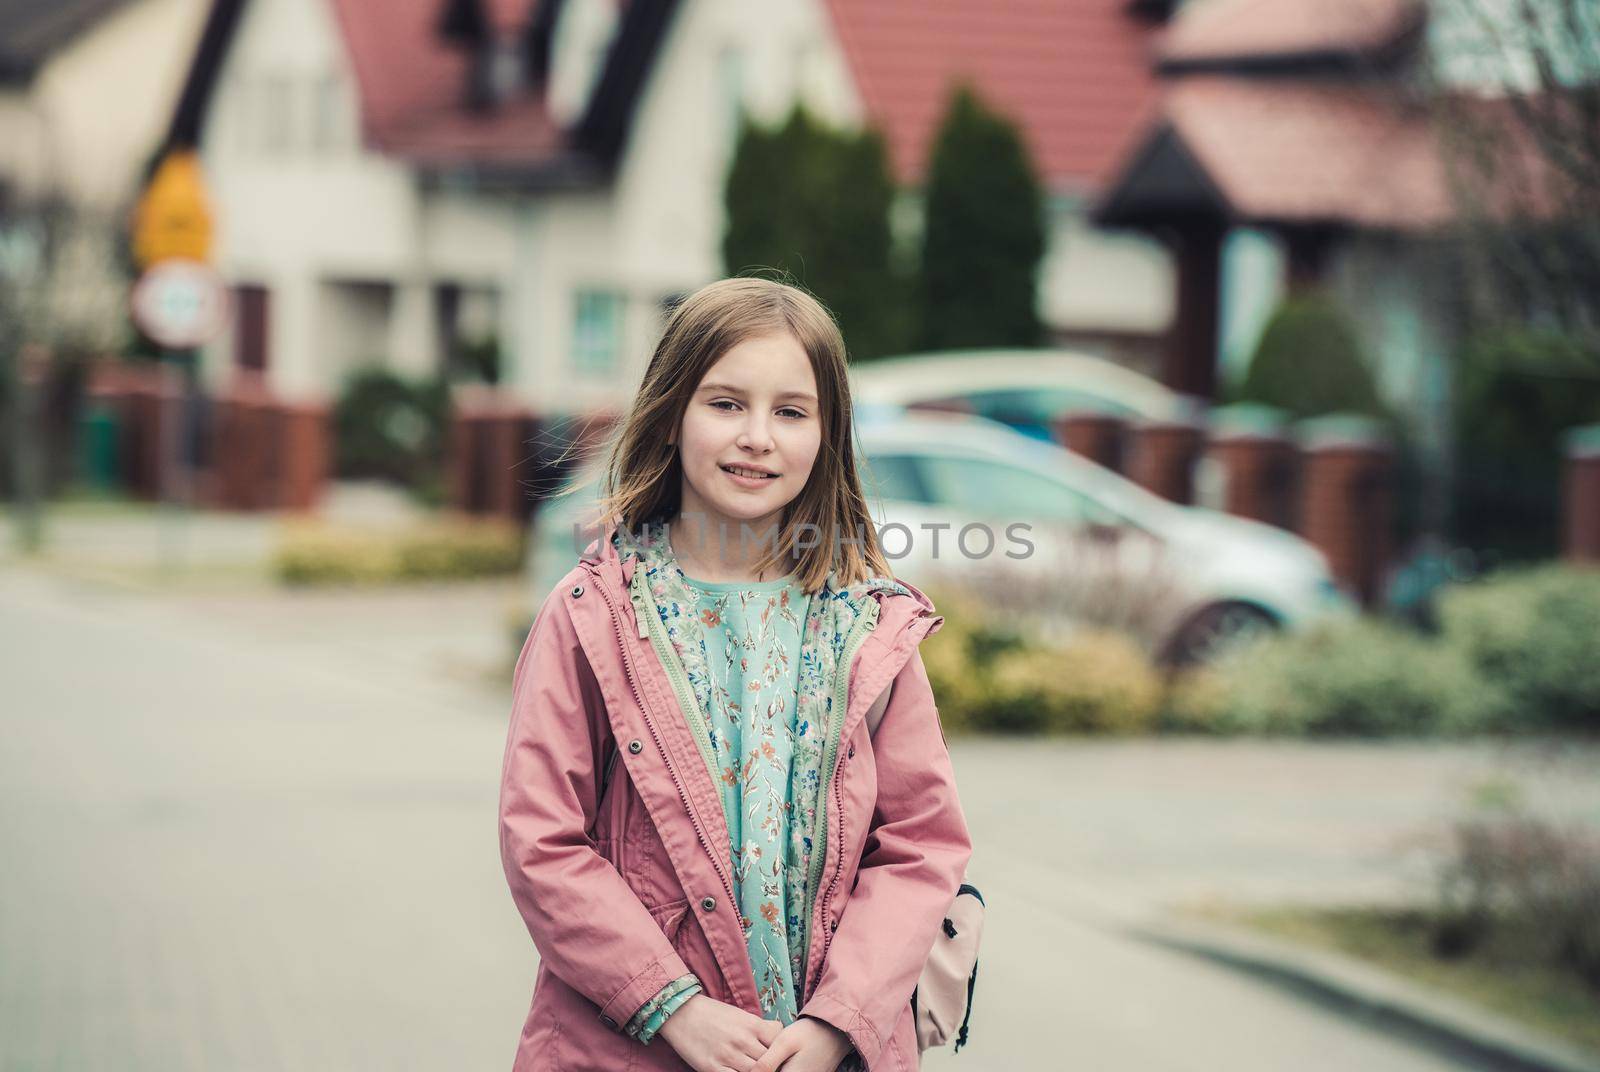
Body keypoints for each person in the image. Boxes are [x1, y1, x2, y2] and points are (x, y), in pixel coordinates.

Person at [499, 277, 973, 1072]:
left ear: (828, 435)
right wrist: (672, 1008)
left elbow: (920, 846)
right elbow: (542, 840)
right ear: (673, 412)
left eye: (791, 412)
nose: (757, 436)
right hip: (631, 1047)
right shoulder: (594, 615)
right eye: (725, 404)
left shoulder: (872, 627)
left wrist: (837, 1023)